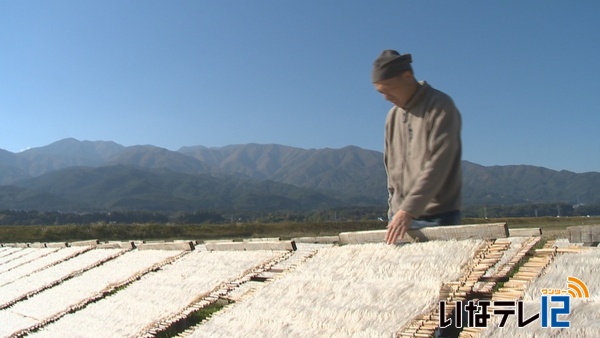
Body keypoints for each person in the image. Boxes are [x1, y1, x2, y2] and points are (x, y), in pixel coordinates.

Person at [372, 50, 463, 245]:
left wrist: (409, 209)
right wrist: (394, 210)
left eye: (389, 89)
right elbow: (391, 168)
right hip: (399, 217)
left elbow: (440, 163)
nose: (386, 97)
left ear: (407, 76)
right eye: (381, 92)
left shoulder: (440, 106)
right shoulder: (392, 117)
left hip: (437, 216)